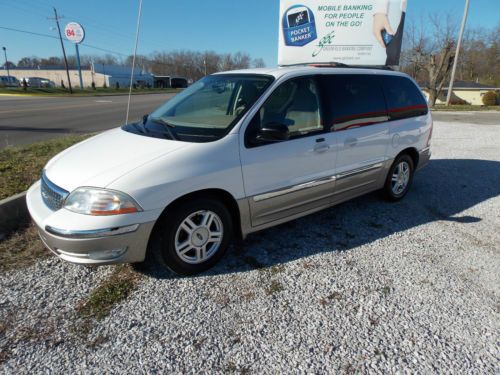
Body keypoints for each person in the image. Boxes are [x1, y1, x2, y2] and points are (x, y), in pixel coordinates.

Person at [373, 0, 408, 65]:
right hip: (399, 10)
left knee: (393, 58)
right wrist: (380, 10)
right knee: (393, 56)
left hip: (402, 10)